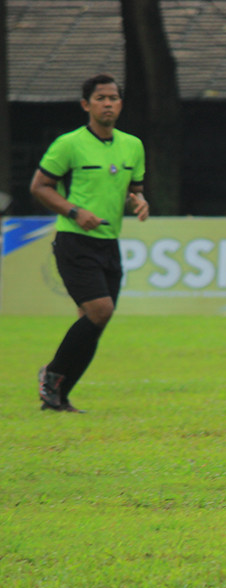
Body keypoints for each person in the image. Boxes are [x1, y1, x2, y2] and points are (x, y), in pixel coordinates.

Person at [32, 74, 148, 413]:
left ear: (121, 104)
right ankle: (52, 373)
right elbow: (40, 186)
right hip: (75, 241)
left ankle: (58, 397)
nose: (107, 104)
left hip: (109, 243)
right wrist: (75, 211)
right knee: (101, 311)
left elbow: (135, 189)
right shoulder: (69, 144)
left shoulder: (133, 145)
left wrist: (140, 202)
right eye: (100, 98)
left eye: (113, 98)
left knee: (95, 321)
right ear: (86, 104)